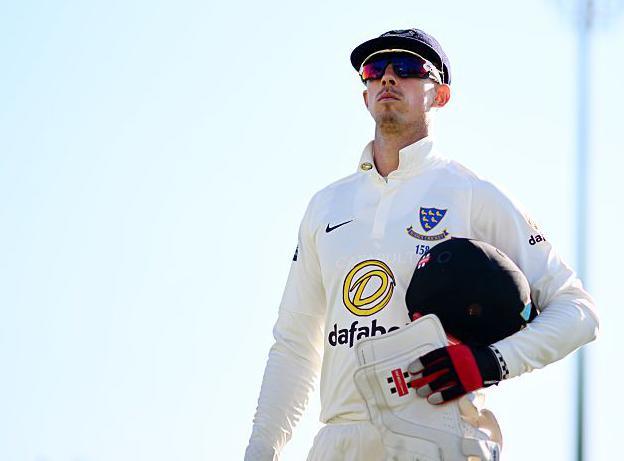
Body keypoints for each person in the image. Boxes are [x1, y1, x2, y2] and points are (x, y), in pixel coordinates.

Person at [244, 28, 599, 461]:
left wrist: (490, 363)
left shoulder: (470, 192)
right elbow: (296, 344)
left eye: (409, 69)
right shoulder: (325, 206)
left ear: (440, 96)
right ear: (365, 96)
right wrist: (261, 450)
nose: (388, 79)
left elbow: (578, 311)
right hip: (338, 444)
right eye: (375, 71)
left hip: (438, 437)